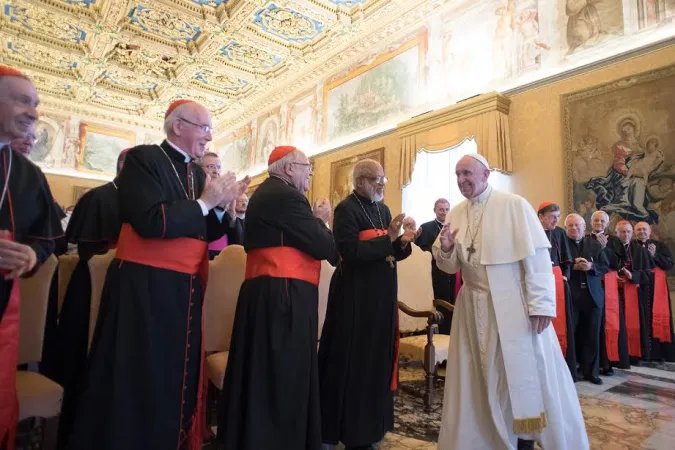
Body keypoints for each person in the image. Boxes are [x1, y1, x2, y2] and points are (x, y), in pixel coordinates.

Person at [64, 99, 250, 450]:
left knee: (172, 376)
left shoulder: (196, 173)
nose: (209, 137)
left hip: (183, 290)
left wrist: (224, 208)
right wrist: (207, 203)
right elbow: (151, 221)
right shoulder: (143, 159)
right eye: (204, 127)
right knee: (137, 376)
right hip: (143, 288)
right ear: (178, 125)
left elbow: (204, 231)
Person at [433, 154, 588, 450]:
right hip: (471, 305)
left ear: (485, 174)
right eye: (457, 174)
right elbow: (449, 267)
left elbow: (537, 257)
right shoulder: (455, 213)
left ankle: (524, 438)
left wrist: (541, 304)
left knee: (519, 373)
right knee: (475, 375)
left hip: (512, 305)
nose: (461, 179)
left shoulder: (514, 205)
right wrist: (447, 248)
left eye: (467, 173)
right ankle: (480, 438)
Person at [217, 146, 337, 450]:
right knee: (282, 374)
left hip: (271, 292)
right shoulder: (287, 197)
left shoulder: (268, 193)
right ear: (287, 169)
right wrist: (321, 221)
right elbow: (324, 247)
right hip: (284, 295)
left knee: (264, 372)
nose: (310, 171)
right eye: (306, 166)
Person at [319, 159, 415, 450]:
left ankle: (374, 424)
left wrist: (403, 243)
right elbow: (347, 252)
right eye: (376, 180)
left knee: (377, 361)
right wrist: (389, 239)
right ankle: (351, 430)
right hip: (355, 299)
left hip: (381, 299)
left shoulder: (383, 210)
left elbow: (390, 253)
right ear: (359, 180)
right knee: (355, 362)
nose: (381, 185)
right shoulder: (346, 209)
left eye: (383, 180)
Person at [0, 65, 63, 450]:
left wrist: (30, 254)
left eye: (36, 104)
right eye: (23, 100)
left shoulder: (28, 173)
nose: (33, 112)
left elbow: (48, 238)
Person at [53, 149, 129, 449]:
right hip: (90, 287)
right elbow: (82, 247)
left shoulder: (142, 200)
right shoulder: (97, 197)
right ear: (122, 165)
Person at [564, 214, 609, 384]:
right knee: (571, 335)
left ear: (584, 227)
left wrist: (591, 267)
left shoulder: (594, 244)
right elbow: (555, 265)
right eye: (570, 225)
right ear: (566, 227)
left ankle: (591, 372)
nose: (574, 228)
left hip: (593, 297)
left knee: (592, 334)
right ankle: (571, 371)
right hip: (571, 297)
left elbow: (604, 267)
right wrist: (572, 267)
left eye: (577, 225)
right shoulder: (562, 245)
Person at [605, 221, 653, 368]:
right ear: (616, 233)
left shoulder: (641, 251)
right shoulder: (608, 249)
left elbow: (648, 276)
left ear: (632, 233)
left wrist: (632, 275)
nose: (625, 235)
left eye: (628, 232)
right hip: (613, 294)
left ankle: (632, 355)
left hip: (633, 295)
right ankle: (614, 356)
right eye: (622, 232)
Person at [536, 201, 575, 377]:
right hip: (539, 284)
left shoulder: (560, 233)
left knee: (562, 323)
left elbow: (567, 260)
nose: (556, 221)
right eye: (552, 217)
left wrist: (565, 276)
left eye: (558, 217)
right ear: (541, 216)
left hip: (558, 283)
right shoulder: (532, 231)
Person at [414, 198, 459, 334]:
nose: (444, 212)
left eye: (446, 209)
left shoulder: (453, 228)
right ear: (435, 210)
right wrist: (434, 252)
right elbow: (419, 251)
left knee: (450, 304)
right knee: (436, 304)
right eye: (441, 209)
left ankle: (449, 334)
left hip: (450, 274)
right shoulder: (426, 227)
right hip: (433, 273)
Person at [634, 221, 675, 361]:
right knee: (640, 317)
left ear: (650, 231)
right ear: (635, 232)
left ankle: (658, 353)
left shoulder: (660, 246)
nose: (642, 232)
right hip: (639, 288)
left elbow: (669, 264)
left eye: (644, 229)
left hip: (656, 288)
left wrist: (654, 255)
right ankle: (641, 352)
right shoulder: (632, 246)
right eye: (639, 229)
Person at [199, 153, 245, 259]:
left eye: (218, 167)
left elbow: (237, 241)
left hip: (225, 258)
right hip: (203, 256)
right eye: (211, 166)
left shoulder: (226, 194)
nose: (216, 171)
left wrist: (232, 215)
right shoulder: (195, 192)